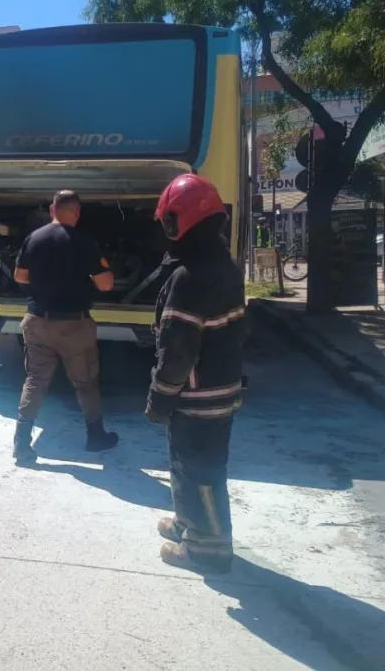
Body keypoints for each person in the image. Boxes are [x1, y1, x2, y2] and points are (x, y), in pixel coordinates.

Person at [146, 173, 247, 574]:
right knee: (186, 463)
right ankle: (188, 521)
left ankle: (209, 549)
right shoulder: (225, 266)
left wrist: (159, 397)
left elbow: (177, 350)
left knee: (200, 471)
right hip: (221, 388)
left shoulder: (188, 277)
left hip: (197, 396)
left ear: (177, 222)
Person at [11, 189, 120, 463]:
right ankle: (95, 437)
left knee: (35, 381)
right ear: (77, 212)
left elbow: (20, 276)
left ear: (52, 209)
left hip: (37, 322)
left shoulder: (34, 238)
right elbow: (106, 284)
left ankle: (21, 444)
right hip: (74, 326)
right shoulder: (85, 242)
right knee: (85, 383)